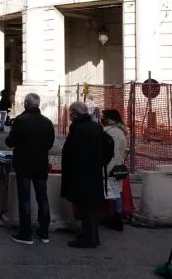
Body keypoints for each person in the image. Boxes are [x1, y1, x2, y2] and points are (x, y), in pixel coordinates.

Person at [5, 93, 55, 245]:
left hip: (24, 165)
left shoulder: (21, 120)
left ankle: (26, 233)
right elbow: (50, 143)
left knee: (24, 199)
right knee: (42, 198)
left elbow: (10, 142)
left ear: (26, 103)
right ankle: (44, 232)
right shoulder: (47, 122)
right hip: (41, 164)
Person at [61, 101, 106, 249]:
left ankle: (89, 239)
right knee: (90, 207)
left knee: (85, 207)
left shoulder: (80, 128)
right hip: (93, 172)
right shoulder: (95, 126)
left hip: (82, 174)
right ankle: (91, 236)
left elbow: (76, 153)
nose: (69, 115)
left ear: (74, 113)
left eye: (70, 112)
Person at [101, 109, 128, 232]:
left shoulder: (113, 133)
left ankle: (116, 220)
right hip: (116, 166)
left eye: (104, 116)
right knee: (115, 193)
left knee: (114, 194)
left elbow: (113, 153)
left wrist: (106, 169)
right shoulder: (118, 131)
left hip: (111, 167)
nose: (102, 119)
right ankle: (116, 218)